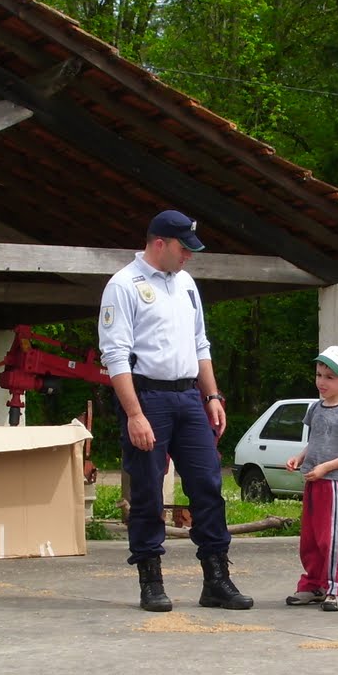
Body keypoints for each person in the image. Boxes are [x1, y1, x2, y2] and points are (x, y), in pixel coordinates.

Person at [97, 210, 251, 612]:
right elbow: (115, 355)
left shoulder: (185, 283)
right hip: (147, 397)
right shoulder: (123, 285)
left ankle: (216, 579)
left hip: (189, 397)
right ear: (159, 243)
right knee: (148, 490)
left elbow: (201, 343)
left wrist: (212, 396)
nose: (189, 256)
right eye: (184, 248)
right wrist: (134, 414)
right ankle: (151, 581)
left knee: (208, 484)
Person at [284, 346, 338, 611]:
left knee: (332, 539)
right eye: (319, 375)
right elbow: (315, 442)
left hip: (334, 484)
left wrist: (326, 468)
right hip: (313, 481)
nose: (322, 381)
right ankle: (313, 584)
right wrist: (299, 458)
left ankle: (335, 589)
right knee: (310, 537)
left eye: (330, 377)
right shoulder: (315, 408)